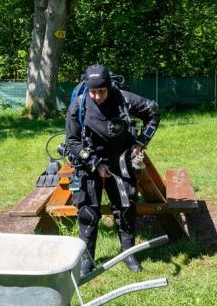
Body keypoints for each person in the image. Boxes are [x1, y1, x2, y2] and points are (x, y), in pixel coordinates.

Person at [65, 64, 160, 278]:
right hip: (89, 163)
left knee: (126, 208)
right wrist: (95, 163)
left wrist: (141, 142)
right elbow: (72, 141)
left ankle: (128, 254)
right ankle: (86, 259)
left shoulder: (123, 99)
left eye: (102, 91)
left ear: (108, 86)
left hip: (120, 161)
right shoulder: (78, 105)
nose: (98, 96)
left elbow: (153, 112)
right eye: (93, 92)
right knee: (87, 212)